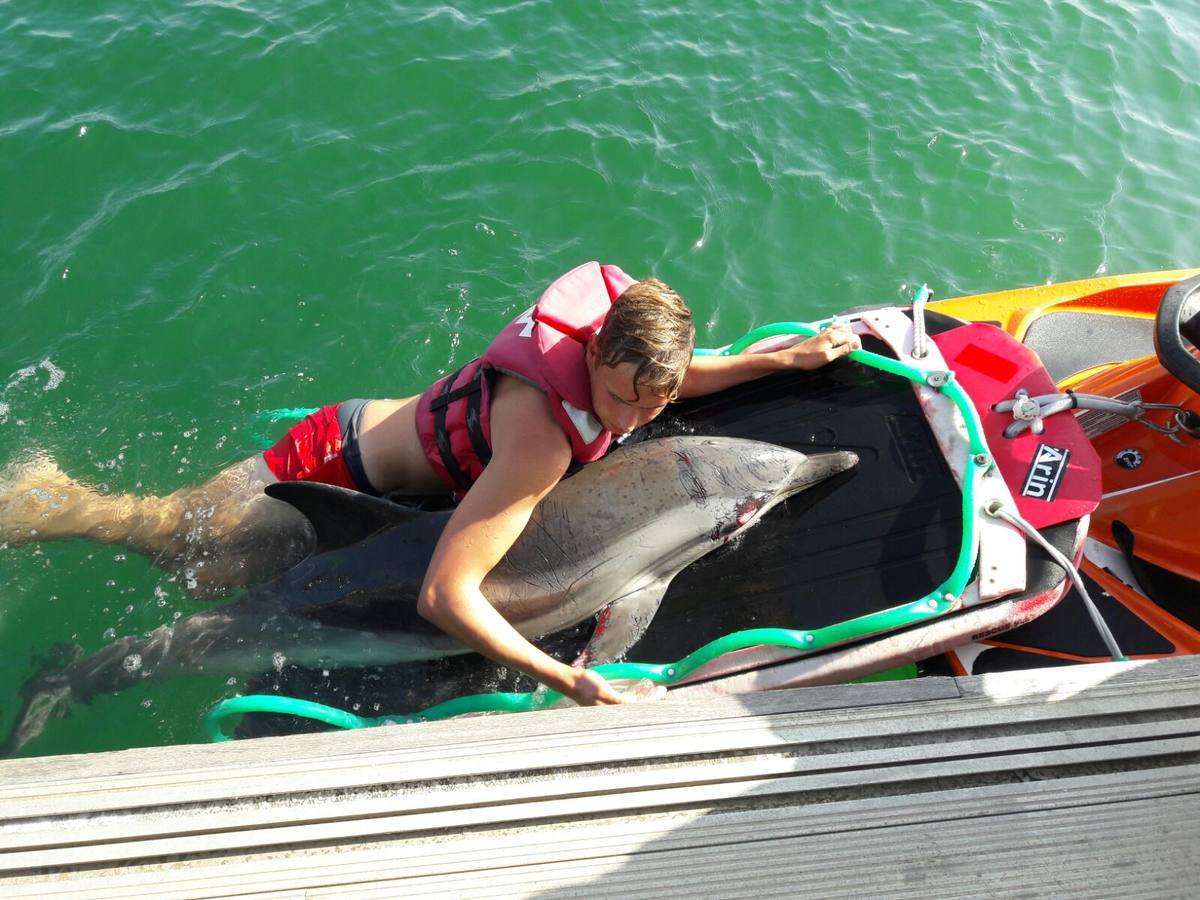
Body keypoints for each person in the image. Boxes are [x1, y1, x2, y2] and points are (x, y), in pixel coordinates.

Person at [0, 261, 860, 705]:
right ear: (594, 350)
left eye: (650, 405)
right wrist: (571, 680)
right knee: (182, 547)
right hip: (324, 466)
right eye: (617, 402)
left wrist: (783, 359)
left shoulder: (626, 347)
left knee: (247, 588)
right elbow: (448, 597)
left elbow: (668, 377)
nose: (632, 424)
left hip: (401, 484)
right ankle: (42, 502)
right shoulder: (538, 444)